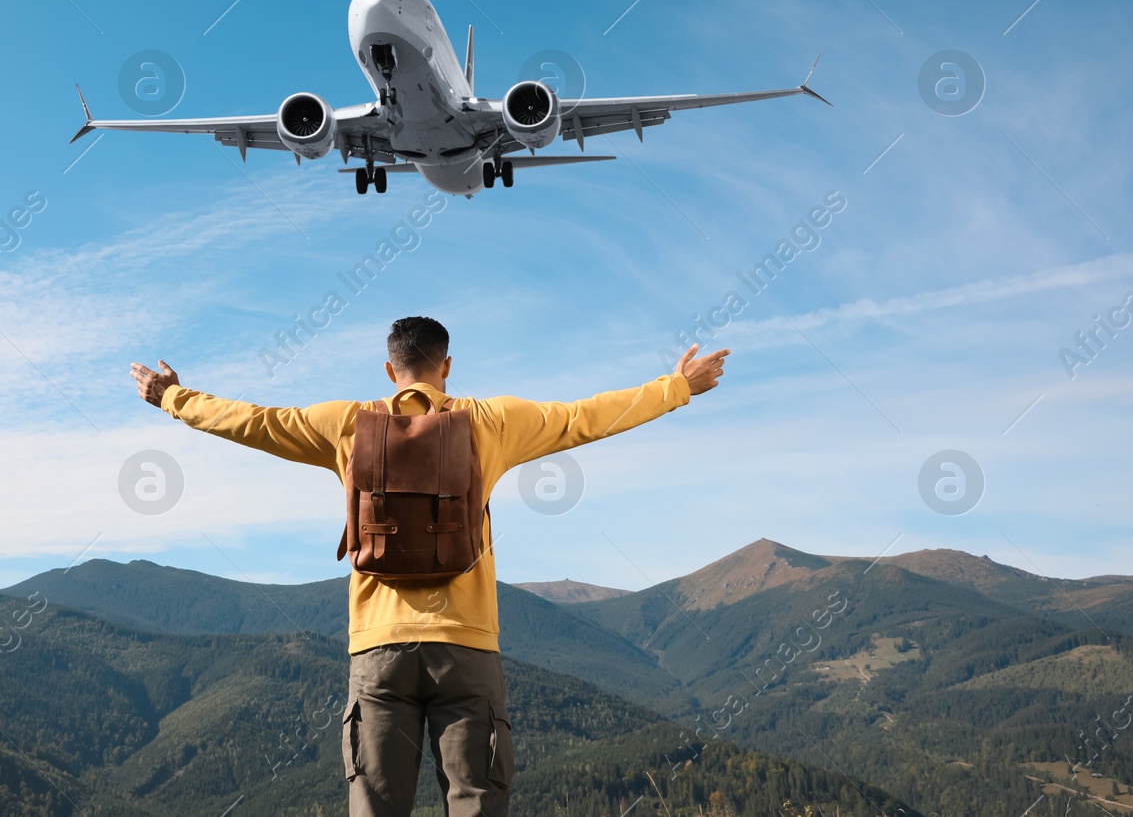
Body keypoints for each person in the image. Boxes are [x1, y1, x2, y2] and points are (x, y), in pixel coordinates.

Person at [130, 316, 728, 817]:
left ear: (390, 370)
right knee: (475, 802)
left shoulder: (346, 423)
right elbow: (585, 416)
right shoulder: (490, 422)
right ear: (447, 366)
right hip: (466, 649)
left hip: (378, 650)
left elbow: (254, 422)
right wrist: (678, 386)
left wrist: (172, 397)